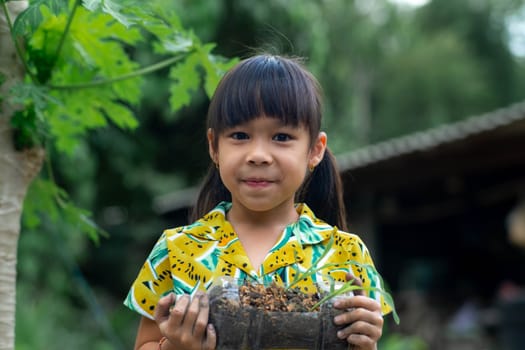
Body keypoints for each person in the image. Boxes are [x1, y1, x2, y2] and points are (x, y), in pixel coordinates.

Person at [124, 54, 392, 350]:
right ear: (214, 146)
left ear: (315, 150)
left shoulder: (347, 255)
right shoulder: (175, 250)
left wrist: (367, 343)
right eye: (240, 135)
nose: (258, 154)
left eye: (281, 136)